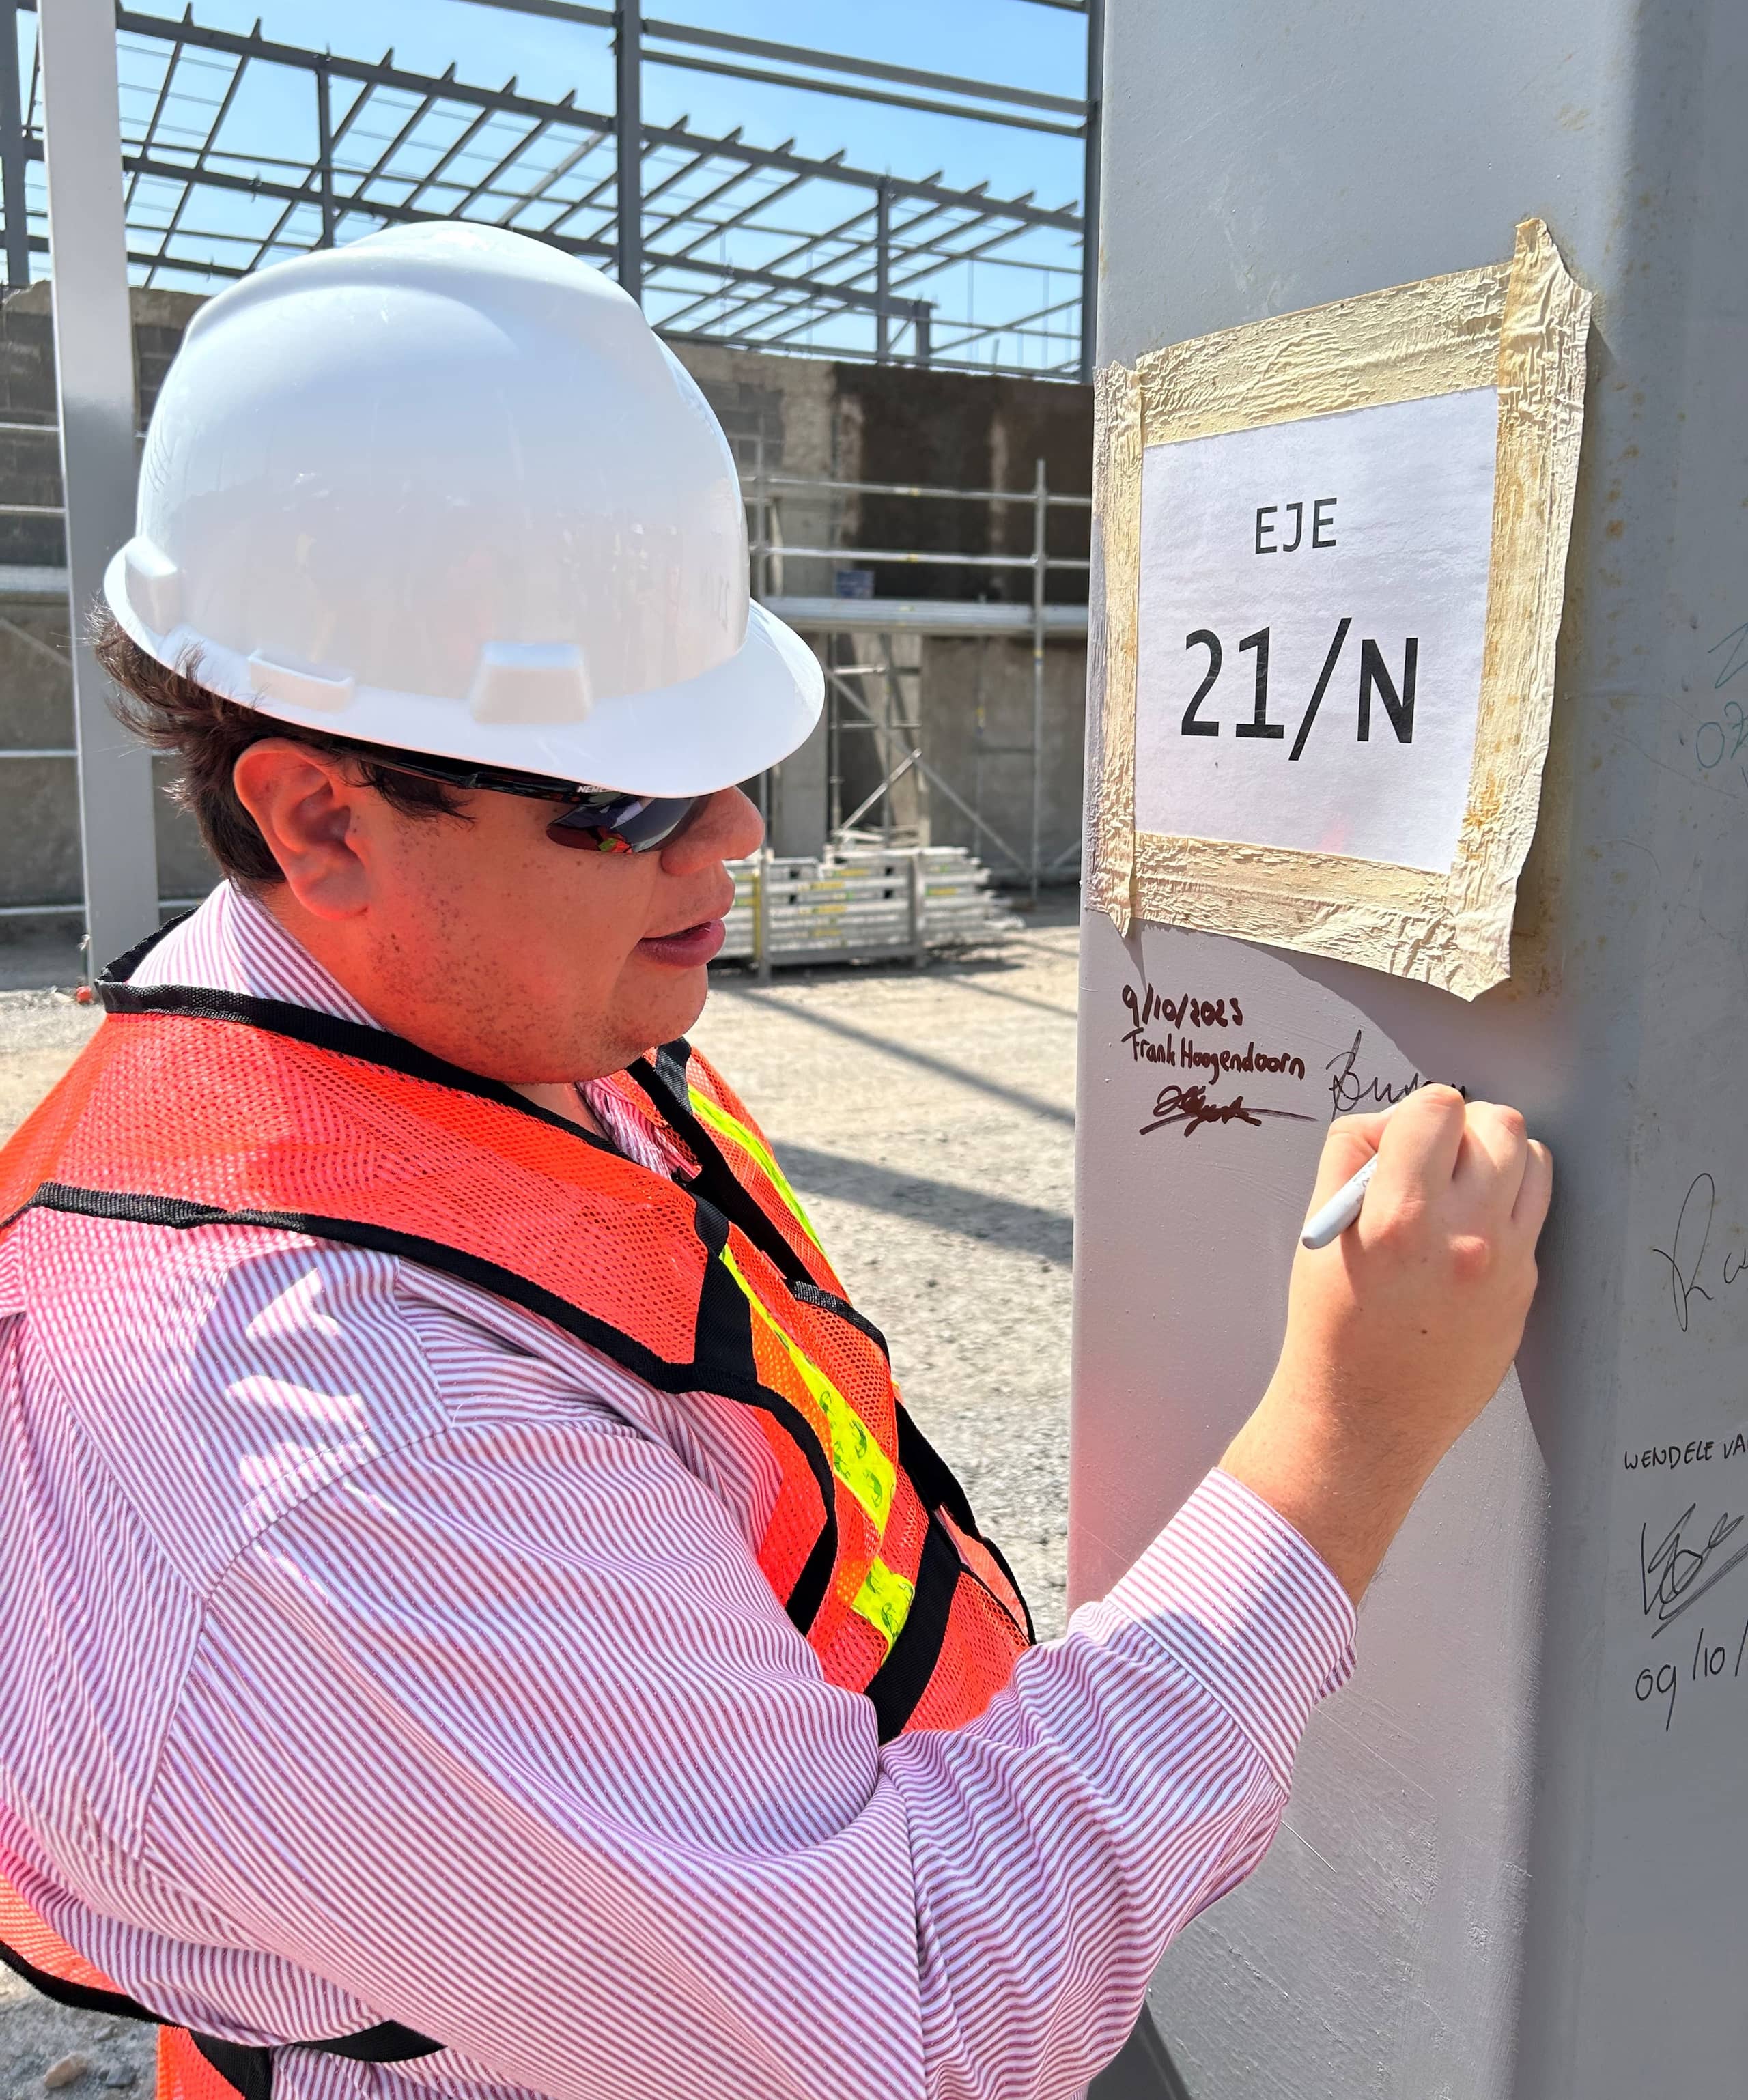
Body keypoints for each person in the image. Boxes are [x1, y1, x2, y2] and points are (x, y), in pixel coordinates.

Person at [0, 223, 1551, 2100]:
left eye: (725, 753)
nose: (737, 830)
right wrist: (1347, 1436)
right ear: (321, 818)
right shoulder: (323, 1446)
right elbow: (906, 2020)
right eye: (631, 796)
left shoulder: (498, 1022)